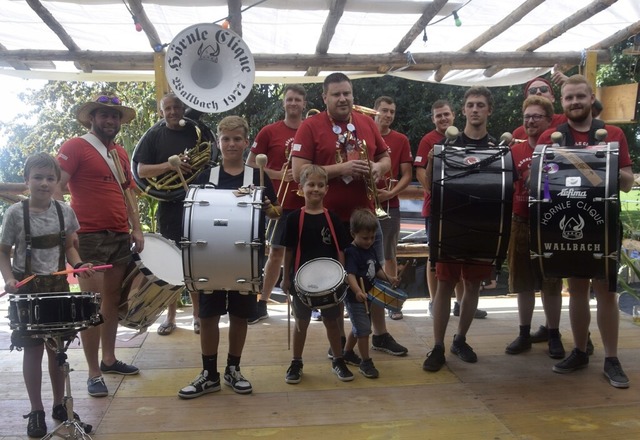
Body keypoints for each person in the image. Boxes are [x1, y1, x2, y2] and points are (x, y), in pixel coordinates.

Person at [291, 72, 408, 359]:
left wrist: (379, 168)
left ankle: (379, 335)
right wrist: (341, 169)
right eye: (336, 94)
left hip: (366, 219)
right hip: (329, 220)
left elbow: (385, 157)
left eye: (347, 93)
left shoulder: (366, 122)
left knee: (374, 276)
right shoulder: (310, 126)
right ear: (325, 97)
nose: (343, 99)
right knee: (338, 282)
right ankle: (341, 344)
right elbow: (298, 173)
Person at [537, 74, 634, 388]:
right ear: (562, 103)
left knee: (606, 291)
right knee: (576, 289)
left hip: (604, 223)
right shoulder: (551, 137)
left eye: (581, 96)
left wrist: (606, 166)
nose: (575, 102)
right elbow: (540, 187)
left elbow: (628, 179)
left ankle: (612, 359)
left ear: (591, 99)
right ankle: (579, 351)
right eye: (569, 98)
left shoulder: (614, 133)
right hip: (565, 224)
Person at [178, 116, 279, 398]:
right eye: (226, 139)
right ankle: (209, 374)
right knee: (208, 315)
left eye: (237, 139)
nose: (232, 144)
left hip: (245, 258)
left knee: (239, 315)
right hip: (209, 258)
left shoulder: (257, 176)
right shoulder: (206, 177)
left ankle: (233, 369)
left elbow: (275, 213)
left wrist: (271, 208)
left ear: (246, 142)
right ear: (219, 143)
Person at [0, 153, 95, 437]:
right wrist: (9, 279)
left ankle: (58, 405)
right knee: (32, 350)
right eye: (37, 178)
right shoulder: (16, 213)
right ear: (26, 180)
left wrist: (78, 265)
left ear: (57, 182)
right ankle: (36, 410)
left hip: (57, 288)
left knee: (58, 350)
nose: (44, 183)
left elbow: (70, 248)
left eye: (50, 178)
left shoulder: (64, 211)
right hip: (25, 289)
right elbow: (3, 253)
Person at [56, 94, 144, 397]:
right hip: (89, 236)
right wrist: (66, 233)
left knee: (111, 301)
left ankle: (109, 360)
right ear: (92, 118)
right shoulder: (74, 147)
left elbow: (129, 194)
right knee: (90, 305)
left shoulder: (119, 152)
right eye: (104, 115)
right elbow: (57, 188)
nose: (110, 121)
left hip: (120, 235)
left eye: (115, 116)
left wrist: (137, 229)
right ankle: (93, 372)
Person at [423, 86, 498, 372]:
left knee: (472, 284)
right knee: (444, 283)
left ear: (488, 110)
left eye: (480, 104)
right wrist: (432, 160)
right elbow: (431, 184)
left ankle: (460, 339)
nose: (475, 109)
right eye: (470, 105)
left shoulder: (497, 148)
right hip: (451, 224)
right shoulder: (447, 145)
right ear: (463, 110)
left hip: (482, 226)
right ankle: (438, 346)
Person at [133, 93, 202, 336]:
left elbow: (209, 156)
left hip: (195, 202)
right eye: (168, 108)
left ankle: (197, 315)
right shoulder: (154, 134)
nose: (173, 112)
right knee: (172, 261)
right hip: (169, 204)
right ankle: (170, 316)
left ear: (184, 108)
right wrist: (169, 166)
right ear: (161, 111)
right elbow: (140, 170)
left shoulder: (195, 130)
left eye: (177, 107)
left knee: (193, 260)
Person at [414, 100, 488, 320]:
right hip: (435, 208)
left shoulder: (466, 138)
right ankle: (434, 301)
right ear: (433, 119)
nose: (443, 119)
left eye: (446, 114)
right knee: (435, 256)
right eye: (438, 116)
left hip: (462, 208)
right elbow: (418, 169)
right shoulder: (429, 140)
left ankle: (461, 303)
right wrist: (430, 191)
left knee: (461, 254)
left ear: (455, 115)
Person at [504, 95, 565, 358]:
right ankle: (524, 333)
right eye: (527, 116)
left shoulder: (559, 148)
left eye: (536, 116)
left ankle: (553, 335)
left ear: (550, 121)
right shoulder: (514, 151)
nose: (530, 121)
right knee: (523, 283)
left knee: (551, 282)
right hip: (520, 221)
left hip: (551, 224)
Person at [280, 165, 353, 383]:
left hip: (330, 281)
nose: (316, 189)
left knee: (332, 321)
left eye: (320, 185)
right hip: (302, 281)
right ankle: (296, 361)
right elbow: (289, 250)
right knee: (301, 322)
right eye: (311, 184)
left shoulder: (332, 217)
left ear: (327, 189)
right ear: (301, 188)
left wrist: (342, 277)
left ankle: (338, 360)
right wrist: (285, 277)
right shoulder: (294, 218)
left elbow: (341, 249)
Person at [246, 84, 307, 324]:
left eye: (297, 100)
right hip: (280, 202)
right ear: (284, 103)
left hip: (308, 201)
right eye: (289, 99)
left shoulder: (311, 129)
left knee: (307, 253)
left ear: (304, 104)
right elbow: (250, 163)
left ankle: (306, 302)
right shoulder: (269, 131)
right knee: (276, 253)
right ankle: (263, 302)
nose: (293, 104)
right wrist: (278, 175)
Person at [342, 209, 399, 378]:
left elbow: (375, 270)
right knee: (364, 330)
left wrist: (389, 278)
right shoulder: (351, 252)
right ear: (353, 234)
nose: (369, 241)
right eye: (365, 238)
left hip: (367, 295)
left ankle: (347, 353)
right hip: (355, 297)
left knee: (359, 327)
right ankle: (366, 362)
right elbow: (349, 275)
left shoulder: (370, 248)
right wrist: (358, 291)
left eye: (373, 238)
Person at [373, 96, 413, 320]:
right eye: (384, 111)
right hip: (365, 204)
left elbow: (407, 174)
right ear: (375, 111)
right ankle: (358, 298)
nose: (388, 115)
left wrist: (391, 193)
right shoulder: (363, 135)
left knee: (389, 255)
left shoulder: (401, 139)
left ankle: (391, 302)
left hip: (390, 203)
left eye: (392, 112)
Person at [512, 77, 567, 141]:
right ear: (526, 99)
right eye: (532, 91)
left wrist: (569, 82)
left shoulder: (566, 121)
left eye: (544, 89)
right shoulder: (518, 134)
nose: (538, 92)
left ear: (552, 98)